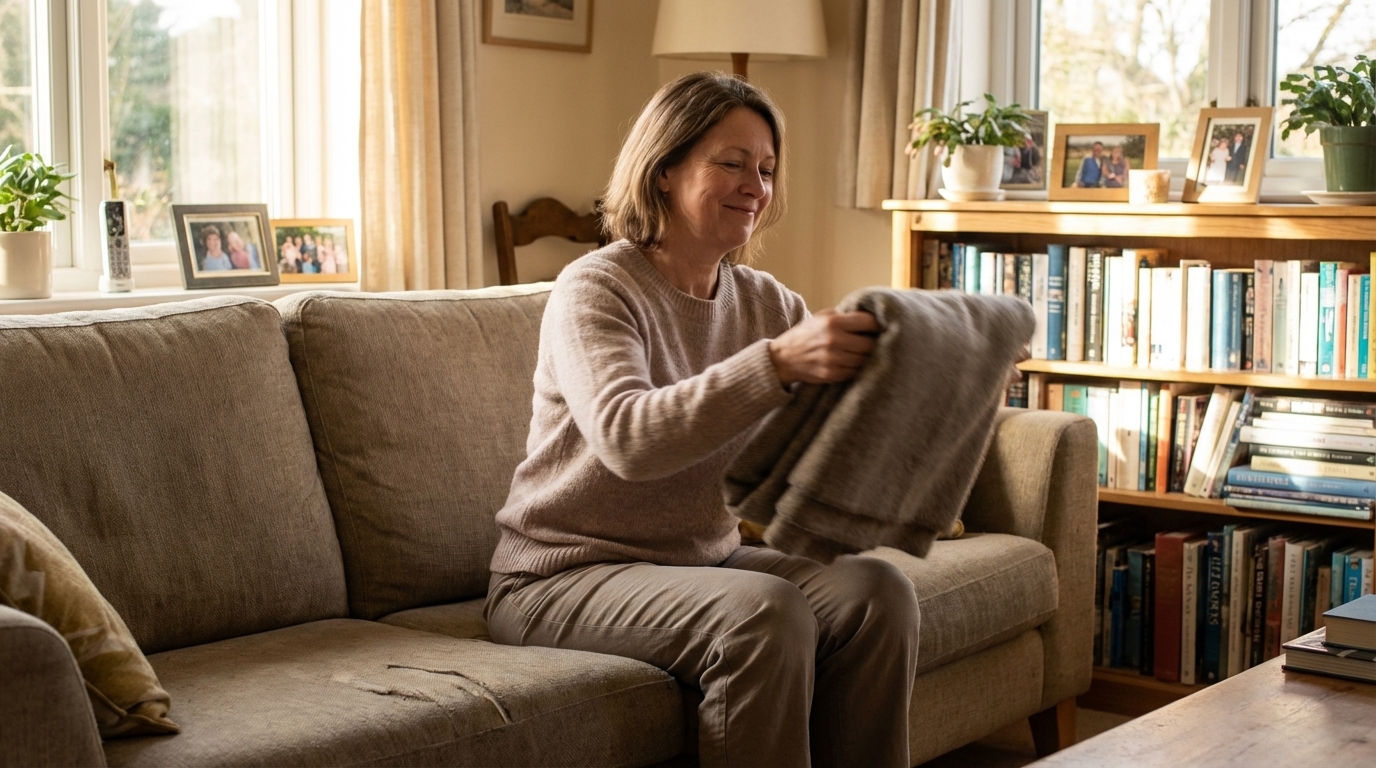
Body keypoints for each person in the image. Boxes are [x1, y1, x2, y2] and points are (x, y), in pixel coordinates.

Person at [484, 71, 919, 768]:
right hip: (561, 576)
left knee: (876, 592)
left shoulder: (768, 303)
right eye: (732, 163)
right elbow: (629, 439)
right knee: (764, 611)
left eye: (766, 170)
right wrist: (776, 364)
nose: (756, 186)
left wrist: (947, 377)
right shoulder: (596, 287)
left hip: (703, 558)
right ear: (664, 170)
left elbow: (835, 446)